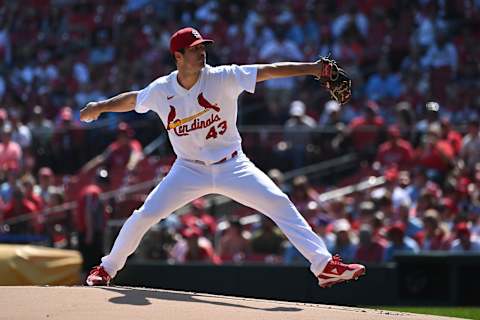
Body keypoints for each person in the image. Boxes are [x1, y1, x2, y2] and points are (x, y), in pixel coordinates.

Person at [81, 27, 365, 288]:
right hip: (187, 170)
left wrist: (313, 68)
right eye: (194, 48)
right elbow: (134, 99)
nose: (202, 51)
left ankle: (324, 266)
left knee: (279, 203)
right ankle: (107, 268)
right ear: (178, 56)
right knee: (146, 215)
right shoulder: (162, 90)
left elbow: (268, 71)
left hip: (233, 165)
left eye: (202, 46)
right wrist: (100, 106)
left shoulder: (222, 76)